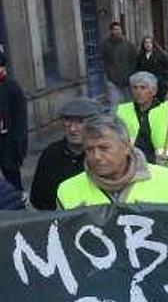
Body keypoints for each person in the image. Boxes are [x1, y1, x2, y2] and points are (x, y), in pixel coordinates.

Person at [56, 114, 168, 209]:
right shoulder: (67, 191)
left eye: (104, 148)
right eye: (89, 149)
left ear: (127, 147)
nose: (96, 156)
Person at [30, 99, 103, 210]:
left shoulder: (103, 156)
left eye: (80, 121)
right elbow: (38, 199)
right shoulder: (50, 154)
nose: (72, 129)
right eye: (68, 120)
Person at [117, 72, 162, 158]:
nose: (138, 92)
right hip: (130, 158)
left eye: (143, 88)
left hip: (157, 159)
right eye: (135, 88)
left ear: (154, 91)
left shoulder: (163, 111)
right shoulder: (121, 110)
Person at [0, 51, 28, 189]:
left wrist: (19, 144)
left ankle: (17, 206)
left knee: (12, 180)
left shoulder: (11, 86)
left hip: (8, 143)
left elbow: (20, 117)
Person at [100, 21, 138, 110]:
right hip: (113, 80)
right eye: (115, 29)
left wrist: (131, 73)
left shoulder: (129, 45)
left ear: (122, 30)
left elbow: (134, 60)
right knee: (115, 104)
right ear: (111, 31)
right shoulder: (106, 45)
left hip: (127, 80)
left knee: (129, 103)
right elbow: (103, 60)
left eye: (119, 29)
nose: (117, 31)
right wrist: (109, 73)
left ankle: (130, 121)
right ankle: (115, 122)